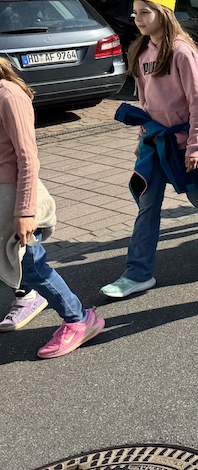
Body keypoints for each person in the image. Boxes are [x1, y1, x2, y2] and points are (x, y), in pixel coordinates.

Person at [100, 0, 198, 300]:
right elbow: (146, 102)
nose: (137, 19)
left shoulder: (182, 52)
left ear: (163, 13)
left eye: (145, 12)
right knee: (147, 204)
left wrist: (196, 145)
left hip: (182, 145)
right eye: (136, 13)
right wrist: (143, 135)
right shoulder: (141, 50)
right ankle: (137, 273)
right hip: (155, 144)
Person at [0, 59, 104, 356]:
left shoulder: (8, 95)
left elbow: (28, 158)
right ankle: (30, 297)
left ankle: (79, 319)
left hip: (16, 200)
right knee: (23, 267)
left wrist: (24, 211)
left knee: (33, 266)